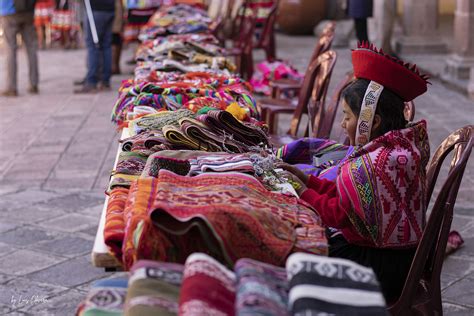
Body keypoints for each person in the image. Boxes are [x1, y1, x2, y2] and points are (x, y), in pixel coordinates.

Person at [278, 42, 430, 303]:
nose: (342, 124)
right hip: (395, 257)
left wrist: (302, 192)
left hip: (382, 268)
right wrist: (307, 180)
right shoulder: (395, 149)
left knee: (296, 251)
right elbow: (346, 198)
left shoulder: (377, 163)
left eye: (347, 117)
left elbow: (339, 214)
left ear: (372, 122)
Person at [74, 0, 115, 94]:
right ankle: (105, 80)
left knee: (93, 46)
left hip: (96, 9)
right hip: (109, 9)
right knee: (106, 45)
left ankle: (92, 81)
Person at [1, 0, 39, 97]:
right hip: (28, 11)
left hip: (9, 11)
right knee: (31, 48)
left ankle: (11, 87)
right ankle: (34, 83)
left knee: (10, 50)